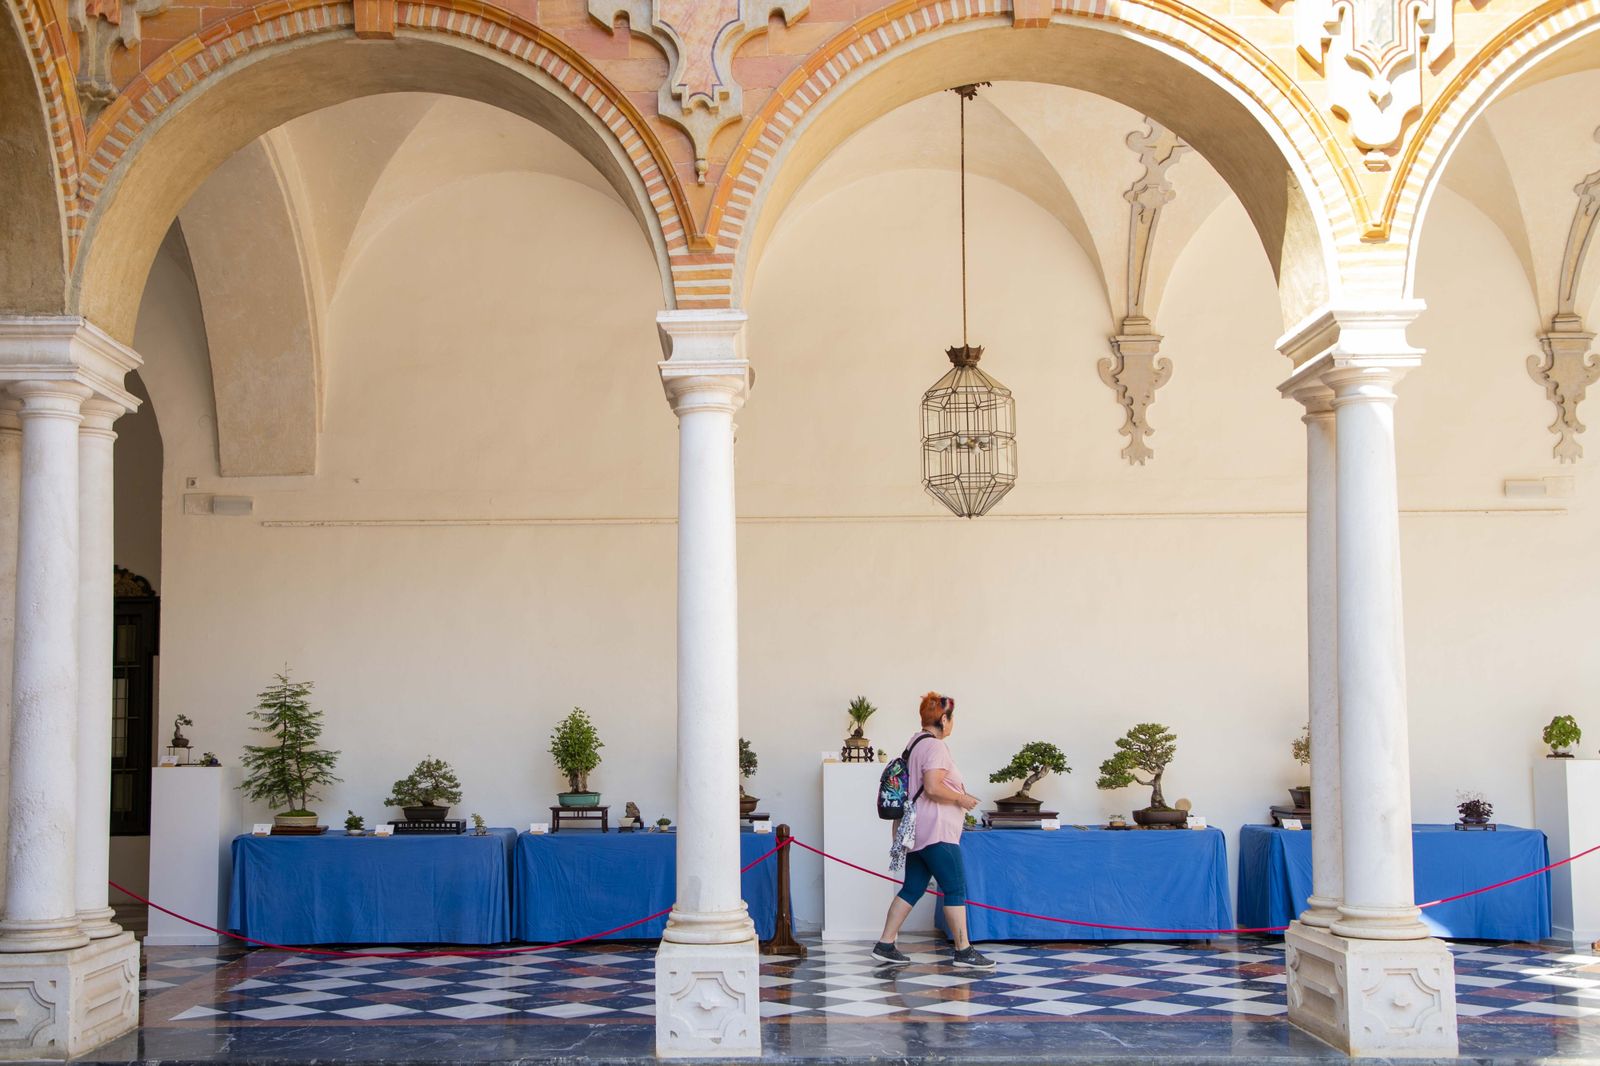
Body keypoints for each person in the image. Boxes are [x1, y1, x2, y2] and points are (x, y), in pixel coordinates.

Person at [871, 692, 994, 969]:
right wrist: (961, 799)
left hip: (917, 830)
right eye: (951, 719)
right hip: (937, 831)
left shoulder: (915, 742)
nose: (952, 725)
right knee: (955, 888)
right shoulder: (936, 747)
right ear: (943, 718)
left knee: (912, 887)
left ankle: (885, 944)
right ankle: (963, 951)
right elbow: (933, 787)